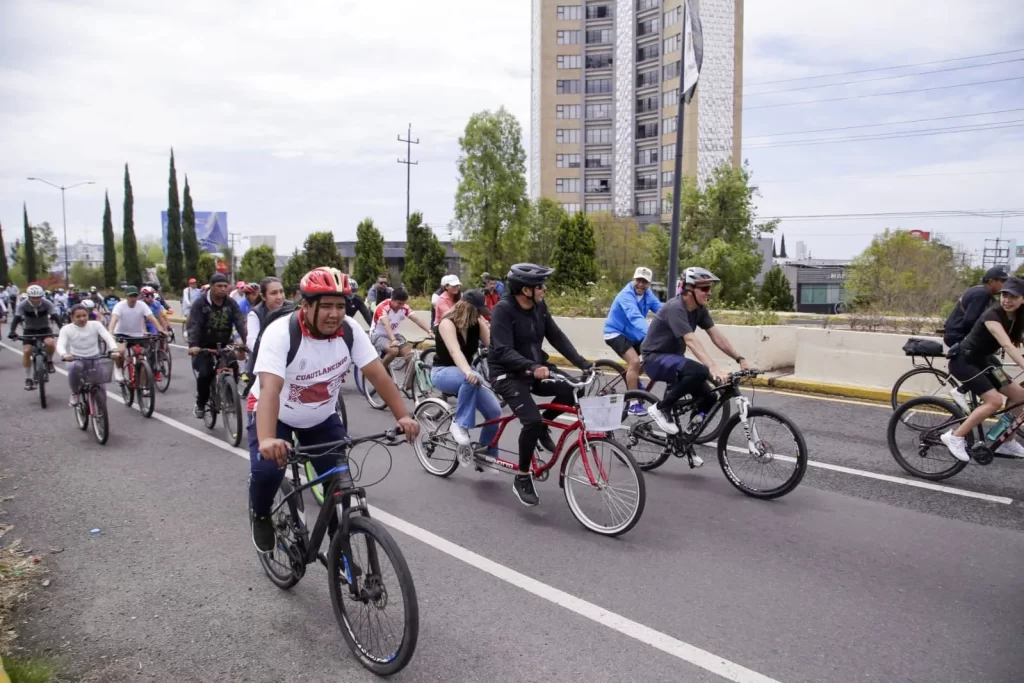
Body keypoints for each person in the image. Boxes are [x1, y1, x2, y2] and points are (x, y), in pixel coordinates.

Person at [249, 267, 419, 552]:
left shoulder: (350, 332)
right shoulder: (281, 334)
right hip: (276, 414)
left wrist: (402, 415)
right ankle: (261, 513)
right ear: (306, 306)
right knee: (267, 472)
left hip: (320, 416)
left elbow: (378, 375)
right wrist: (267, 438)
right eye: (326, 306)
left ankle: (339, 546)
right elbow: (270, 390)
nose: (335, 313)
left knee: (339, 485)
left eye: (340, 306)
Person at [489, 263, 593, 506]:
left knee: (573, 388)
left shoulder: (538, 306)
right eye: (540, 286)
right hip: (507, 374)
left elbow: (555, 336)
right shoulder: (503, 310)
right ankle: (522, 476)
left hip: (534, 368)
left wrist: (583, 363)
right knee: (531, 421)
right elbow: (502, 350)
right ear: (526, 290)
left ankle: (543, 428)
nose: (544, 289)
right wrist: (532, 366)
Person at [640, 267, 750, 462]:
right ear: (689, 290)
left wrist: (740, 358)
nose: (709, 292)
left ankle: (686, 439)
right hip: (654, 359)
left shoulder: (699, 310)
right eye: (705, 289)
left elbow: (716, 336)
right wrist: (713, 367)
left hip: (674, 360)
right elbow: (691, 341)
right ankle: (661, 408)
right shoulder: (675, 308)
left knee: (709, 398)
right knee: (700, 370)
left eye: (709, 288)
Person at [941, 276, 1024, 461]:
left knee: (1019, 396)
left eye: (1013, 296)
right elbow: (1008, 347)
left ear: (1022, 299)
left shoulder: (1018, 316)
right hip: (965, 361)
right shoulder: (992, 315)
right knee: (994, 402)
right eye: (1004, 295)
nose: (1007, 300)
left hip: (985, 362)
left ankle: (1006, 442)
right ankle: (955, 436)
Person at [432, 290, 502, 451]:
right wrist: (468, 372)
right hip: (443, 372)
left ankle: (486, 455)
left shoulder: (476, 322)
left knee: (494, 412)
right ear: (467, 308)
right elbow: (454, 351)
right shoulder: (447, 323)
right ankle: (460, 424)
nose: (480, 315)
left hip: (466, 372)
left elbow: (493, 346)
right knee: (471, 377)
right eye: (478, 312)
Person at [187, 273, 247, 418]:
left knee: (233, 365)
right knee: (206, 374)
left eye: (225, 286)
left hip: (224, 344)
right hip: (203, 346)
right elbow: (194, 325)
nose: (223, 289)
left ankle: (230, 396)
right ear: (212, 287)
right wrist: (194, 345)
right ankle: (200, 403)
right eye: (219, 286)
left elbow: (239, 321)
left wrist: (247, 342)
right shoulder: (200, 304)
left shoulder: (231, 303)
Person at [603, 266, 662, 395]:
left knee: (655, 352)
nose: (641, 285)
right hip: (615, 333)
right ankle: (633, 401)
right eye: (638, 280)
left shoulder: (648, 295)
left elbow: (661, 310)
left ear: (649, 284)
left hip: (633, 334)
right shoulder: (626, 295)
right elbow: (635, 316)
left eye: (645, 282)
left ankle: (633, 377)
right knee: (634, 361)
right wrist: (651, 334)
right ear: (633, 279)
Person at [57, 304, 119, 406]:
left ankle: (100, 410)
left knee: (101, 386)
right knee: (74, 368)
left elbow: (107, 337)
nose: (82, 319)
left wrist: (114, 349)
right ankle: (75, 393)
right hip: (77, 358)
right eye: (78, 316)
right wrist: (64, 354)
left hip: (95, 358)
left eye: (84, 315)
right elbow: (60, 344)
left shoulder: (96, 325)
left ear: (88, 315)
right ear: (72, 318)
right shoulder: (66, 329)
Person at [8, 284, 61, 390]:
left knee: (50, 343)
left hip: (44, 328)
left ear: (41, 296)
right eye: (33, 298)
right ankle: (28, 378)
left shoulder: (47, 303)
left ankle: (49, 361)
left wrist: (62, 328)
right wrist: (12, 331)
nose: (36, 300)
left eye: (38, 297)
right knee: (27, 351)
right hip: (29, 330)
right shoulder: (22, 305)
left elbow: (55, 317)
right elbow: (17, 319)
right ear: (28, 297)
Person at [108, 286, 163, 384]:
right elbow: (114, 320)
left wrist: (160, 330)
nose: (133, 298)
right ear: (126, 297)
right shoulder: (119, 306)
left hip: (137, 334)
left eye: (135, 296)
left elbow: (152, 318)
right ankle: (119, 369)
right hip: (121, 334)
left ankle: (143, 386)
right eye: (130, 296)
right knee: (120, 351)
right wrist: (110, 333)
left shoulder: (142, 305)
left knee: (142, 359)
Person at [943, 265, 1009, 347]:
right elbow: (970, 321)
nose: (1005, 285)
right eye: (1002, 281)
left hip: (959, 335)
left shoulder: (984, 293)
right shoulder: (981, 294)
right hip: (958, 336)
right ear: (991, 281)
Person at [371, 287, 433, 371]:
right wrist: (393, 340)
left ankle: (408, 383)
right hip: (378, 335)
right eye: (399, 303)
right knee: (393, 351)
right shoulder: (382, 307)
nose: (401, 306)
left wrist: (429, 331)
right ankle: (381, 371)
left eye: (403, 303)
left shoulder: (404, 308)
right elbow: (386, 324)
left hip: (395, 335)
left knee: (410, 357)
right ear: (392, 299)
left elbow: (416, 319)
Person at [246, 277, 289, 352]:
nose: (279, 297)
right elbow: (251, 341)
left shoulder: (292, 308)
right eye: (274, 293)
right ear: (263, 296)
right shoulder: (255, 314)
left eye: (281, 292)